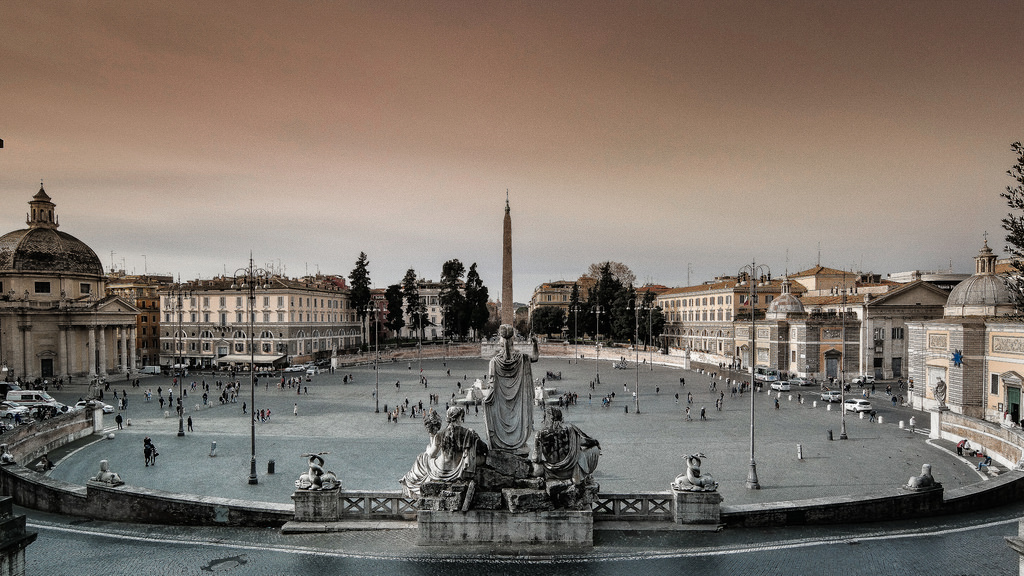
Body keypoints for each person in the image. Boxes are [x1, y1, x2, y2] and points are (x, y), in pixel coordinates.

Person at [483, 324, 538, 454]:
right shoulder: (522, 359)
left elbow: (491, 388)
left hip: (501, 406)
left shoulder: (494, 362)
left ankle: (501, 443)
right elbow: (535, 357)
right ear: (513, 340)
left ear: (500, 341)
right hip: (519, 405)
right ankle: (517, 442)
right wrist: (535, 344)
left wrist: (485, 400)